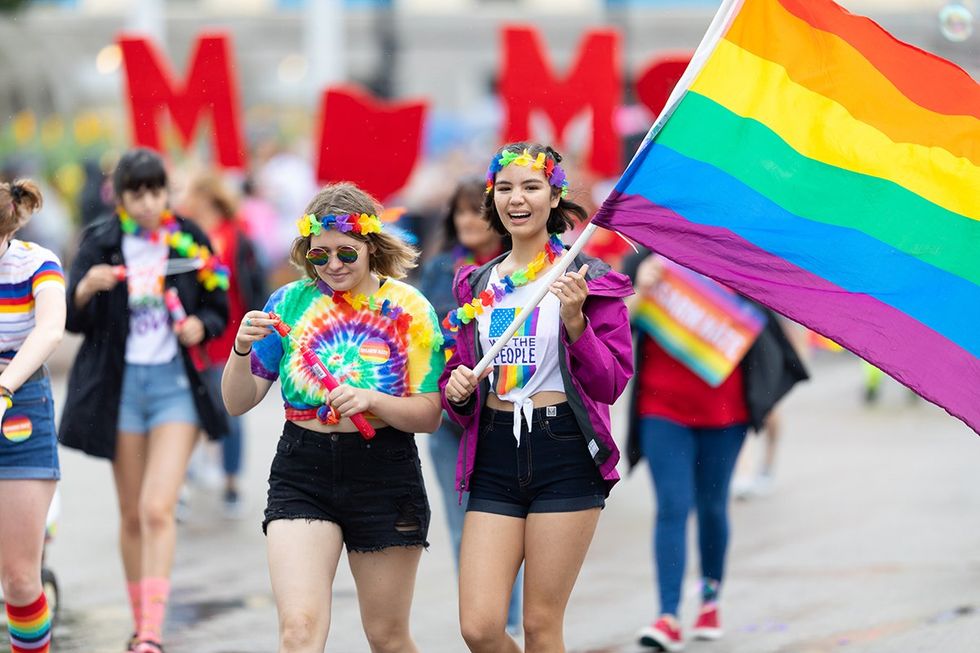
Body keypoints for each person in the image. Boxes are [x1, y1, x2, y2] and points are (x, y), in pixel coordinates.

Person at [222, 182, 444, 653]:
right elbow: (237, 401)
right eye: (319, 256)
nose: (334, 265)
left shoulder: (408, 308)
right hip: (303, 470)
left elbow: (429, 415)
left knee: (386, 636)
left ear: (371, 246)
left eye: (346, 252)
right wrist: (241, 349)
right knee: (299, 631)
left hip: (384, 470)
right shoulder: (287, 304)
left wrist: (373, 401)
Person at [441, 143, 634, 652]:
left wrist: (576, 324)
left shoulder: (587, 280)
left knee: (541, 625)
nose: (516, 199)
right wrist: (457, 390)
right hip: (496, 451)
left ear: (554, 197)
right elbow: (455, 379)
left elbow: (610, 383)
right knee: (479, 627)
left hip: (564, 448)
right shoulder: (476, 285)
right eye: (505, 188)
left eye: (531, 187)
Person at [59, 148, 230, 653]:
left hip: (175, 388)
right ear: (122, 196)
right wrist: (86, 289)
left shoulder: (190, 239)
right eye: (139, 193)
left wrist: (202, 325)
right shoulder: (100, 242)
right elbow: (72, 319)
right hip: (122, 389)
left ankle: (152, 630)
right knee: (132, 513)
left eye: (158, 191)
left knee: (158, 508)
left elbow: (219, 303)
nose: (150, 202)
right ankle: (142, 623)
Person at [622, 251, 808, 651]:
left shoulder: (736, 255)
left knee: (712, 506)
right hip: (661, 409)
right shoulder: (643, 259)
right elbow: (614, 326)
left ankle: (709, 601)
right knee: (673, 505)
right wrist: (641, 289)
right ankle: (668, 615)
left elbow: (767, 320)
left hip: (726, 414)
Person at [417, 177, 524, 634]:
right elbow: (424, 332)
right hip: (451, 421)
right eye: (458, 213)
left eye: (474, 212)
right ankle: (483, 628)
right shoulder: (443, 270)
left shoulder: (520, 271)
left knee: (507, 529)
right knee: (464, 530)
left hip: (504, 417)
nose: (466, 222)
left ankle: (510, 625)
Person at [0, 180, 65, 653]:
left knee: (20, 579)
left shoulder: (36, 262)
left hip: (19, 406)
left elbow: (49, 330)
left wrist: (5, 385)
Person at [181, 171, 267, 518]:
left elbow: (253, 282)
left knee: (231, 409)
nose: (189, 203)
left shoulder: (236, 236)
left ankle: (231, 481)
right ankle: (182, 483)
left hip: (232, 334)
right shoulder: (186, 238)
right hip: (200, 338)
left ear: (210, 199)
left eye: (195, 197)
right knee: (190, 410)